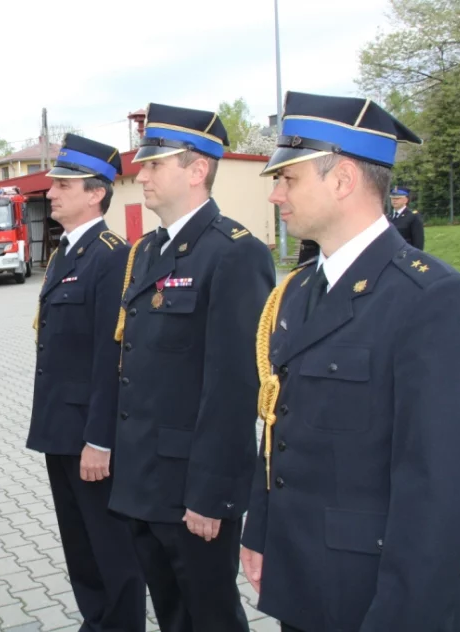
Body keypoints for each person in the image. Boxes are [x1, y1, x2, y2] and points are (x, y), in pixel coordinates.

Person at [240, 91, 460, 632]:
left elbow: (439, 486)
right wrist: (260, 531)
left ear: (343, 180)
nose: (276, 195)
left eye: (289, 179)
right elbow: (277, 426)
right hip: (302, 576)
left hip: (378, 593)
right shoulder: (296, 292)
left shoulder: (431, 298)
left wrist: (401, 615)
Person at [110, 102, 276, 632]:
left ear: (197, 169)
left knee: (210, 618)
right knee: (173, 615)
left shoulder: (233, 253)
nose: (143, 174)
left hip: (192, 492)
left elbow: (233, 388)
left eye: (156, 164)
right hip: (145, 481)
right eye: (144, 163)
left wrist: (211, 496)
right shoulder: (149, 251)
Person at [27, 133, 146, 631]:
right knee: (79, 546)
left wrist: (100, 438)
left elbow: (112, 356)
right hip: (61, 427)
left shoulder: (112, 255)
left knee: (112, 549)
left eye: (63, 185)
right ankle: (96, 621)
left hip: (90, 437)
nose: (51, 192)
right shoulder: (64, 254)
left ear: (96, 193)